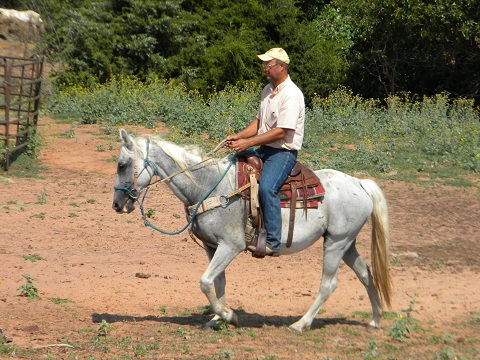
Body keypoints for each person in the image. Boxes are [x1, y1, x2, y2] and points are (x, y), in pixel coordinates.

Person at [224, 48, 305, 256]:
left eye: (268, 65)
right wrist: (239, 137)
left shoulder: (292, 94)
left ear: (282, 66)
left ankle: (273, 242)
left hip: (282, 153)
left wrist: (248, 142)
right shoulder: (268, 90)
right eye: (264, 65)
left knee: (267, 188)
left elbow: (282, 132)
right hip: (265, 149)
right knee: (234, 169)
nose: (264, 69)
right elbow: (259, 123)